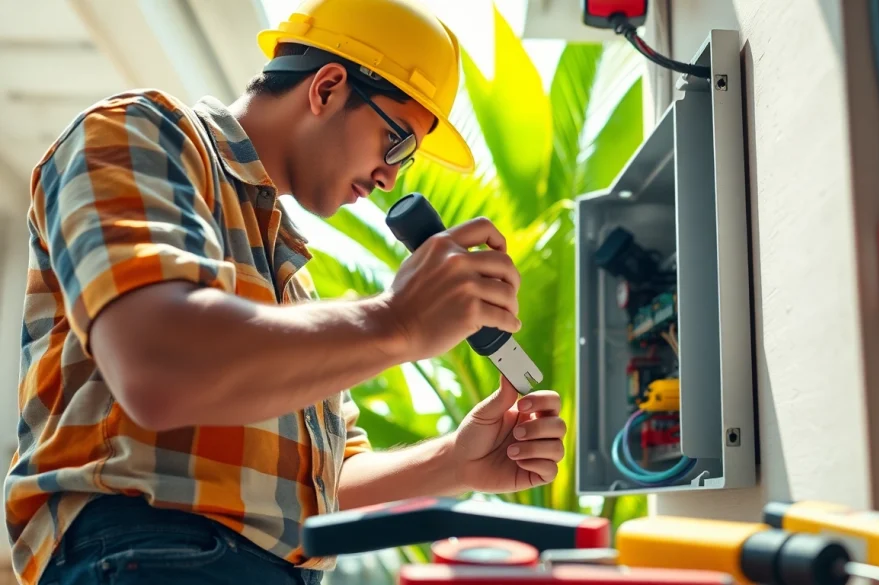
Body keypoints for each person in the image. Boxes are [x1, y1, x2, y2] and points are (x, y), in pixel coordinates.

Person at [3, 0, 568, 583]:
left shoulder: (293, 291)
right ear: (326, 87)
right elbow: (157, 367)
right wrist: (395, 323)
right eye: (395, 142)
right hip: (151, 555)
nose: (389, 178)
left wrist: (455, 462)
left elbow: (317, 493)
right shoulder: (140, 130)